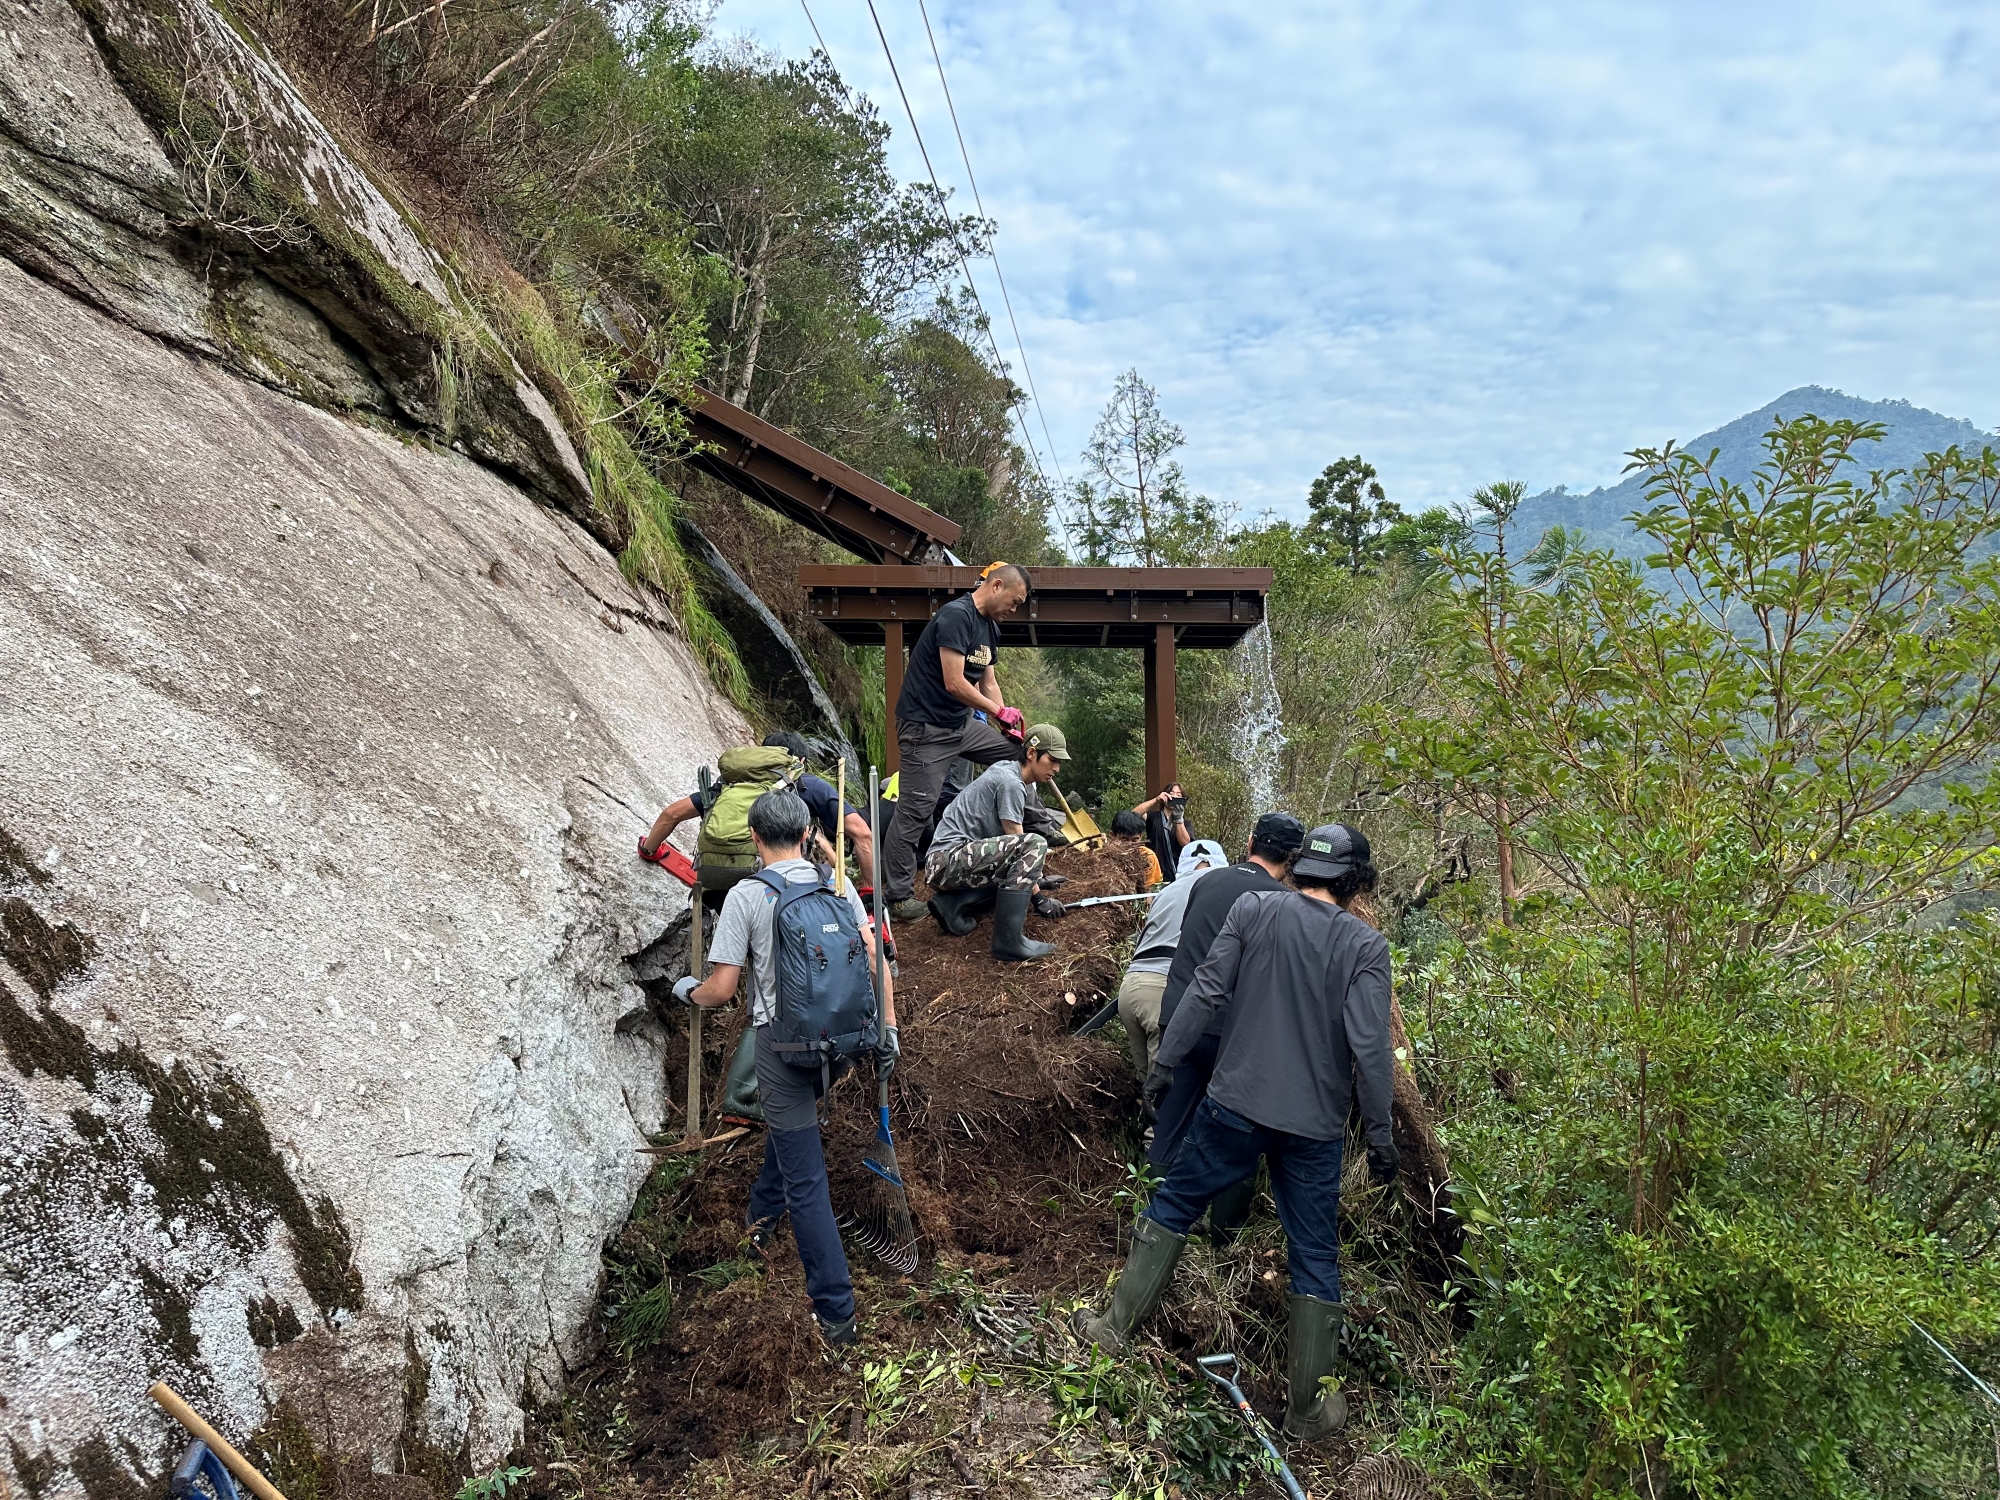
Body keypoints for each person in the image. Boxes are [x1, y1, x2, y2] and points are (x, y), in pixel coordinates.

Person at [1078, 823, 1397, 1442]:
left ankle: (1114, 1329)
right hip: (1315, 1129)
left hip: (1235, 1104)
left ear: (1301, 868)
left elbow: (1204, 989)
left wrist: (1167, 1063)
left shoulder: (1255, 909)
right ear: (1355, 882)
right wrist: (1380, 1136)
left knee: (1174, 1201)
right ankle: (1308, 1411)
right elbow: (1372, 1052)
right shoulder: (1364, 947)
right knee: (1314, 1252)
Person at [673, 789, 897, 1347]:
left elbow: (722, 990)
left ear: (753, 837)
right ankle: (760, 1217)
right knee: (791, 1128)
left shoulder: (748, 896)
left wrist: (688, 991)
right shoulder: (837, 884)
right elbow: (875, 956)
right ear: (806, 835)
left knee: (808, 1179)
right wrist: (888, 1029)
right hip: (841, 1044)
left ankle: (836, 1312)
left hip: (781, 1052)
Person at [883, 565, 1031, 920]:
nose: (1016, 609)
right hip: (925, 729)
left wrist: (1006, 718)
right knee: (916, 810)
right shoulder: (955, 616)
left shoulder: (990, 628)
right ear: (997, 586)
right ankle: (899, 897)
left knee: (1018, 754)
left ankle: (1030, 831)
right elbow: (954, 682)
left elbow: (986, 681)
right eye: (1015, 601)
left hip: (959, 724)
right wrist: (997, 711)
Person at [640, 732, 873, 886]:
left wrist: (650, 850)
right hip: (779, 884)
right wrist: (868, 890)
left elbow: (672, 814)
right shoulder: (808, 785)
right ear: (801, 762)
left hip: (718, 879)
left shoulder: (730, 783)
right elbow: (862, 833)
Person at [923, 724, 1072, 962]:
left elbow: (1012, 858)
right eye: (1052, 759)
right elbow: (1020, 845)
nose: (1056, 768)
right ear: (1032, 754)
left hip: (947, 862)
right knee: (1035, 843)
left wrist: (1038, 878)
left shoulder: (1006, 770)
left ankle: (951, 905)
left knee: (1021, 864)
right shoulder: (1011, 784)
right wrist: (1039, 898)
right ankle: (1008, 942)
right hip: (947, 861)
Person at [1115, 839, 1228, 1078]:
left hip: (1131, 988)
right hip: (1165, 991)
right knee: (1164, 1092)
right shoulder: (1219, 890)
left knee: (1145, 1081)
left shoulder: (1164, 892)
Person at [1132, 784, 1193, 882]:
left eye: (1178, 794)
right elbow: (1133, 816)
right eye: (1171, 793)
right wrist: (1155, 800)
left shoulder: (1186, 823)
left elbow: (1185, 844)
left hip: (1178, 875)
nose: (1174, 796)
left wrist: (1178, 819)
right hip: (1155, 873)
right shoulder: (1152, 817)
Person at [1109, 811, 1164, 888]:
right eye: (1124, 839)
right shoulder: (1103, 857)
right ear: (1112, 836)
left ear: (1141, 837)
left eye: (1135, 840)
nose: (1130, 844)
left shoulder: (1148, 857)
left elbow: (1152, 890)